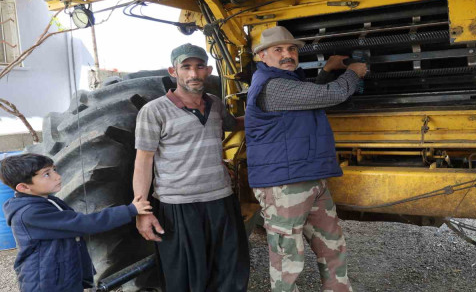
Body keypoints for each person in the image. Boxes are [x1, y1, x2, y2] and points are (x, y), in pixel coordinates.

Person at [245, 26, 367, 292]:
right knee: (288, 261)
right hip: (284, 186)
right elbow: (330, 96)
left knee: (333, 246)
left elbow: (308, 99)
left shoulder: (288, 81)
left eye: (291, 49)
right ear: (261, 56)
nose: (287, 54)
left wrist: (326, 71)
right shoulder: (272, 86)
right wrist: (352, 73)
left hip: (309, 179)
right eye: (278, 50)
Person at [132, 43, 250, 291]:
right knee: (186, 280)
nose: (194, 74)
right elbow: (143, 161)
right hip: (178, 207)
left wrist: (273, 113)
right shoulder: (153, 111)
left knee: (230, 272)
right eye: (186, 67)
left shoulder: (216, 104)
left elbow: (234, 124)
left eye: (199, 67)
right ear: (173, 71)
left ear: (208, 70)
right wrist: (142, 211)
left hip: (220, 200)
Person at [0, 153, 151, 292]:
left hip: (61, 276)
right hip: (47, 283)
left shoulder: (47, 200)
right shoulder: (31, 214)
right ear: (24, 187)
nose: (57, 177)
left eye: (54, 170)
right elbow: (83, 223)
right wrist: (130, 210)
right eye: (47, 174)